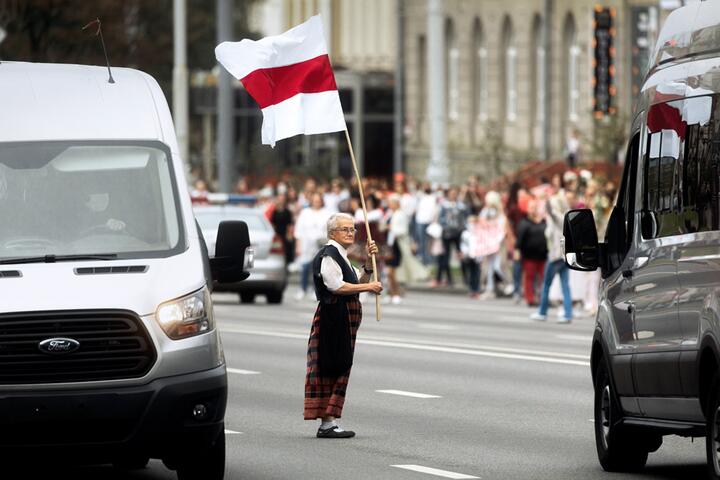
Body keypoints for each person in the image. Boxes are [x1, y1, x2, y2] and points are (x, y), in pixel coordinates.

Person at [304, 213, 383, 438]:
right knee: (332, 363)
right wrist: (369, 289)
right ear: (332, 233)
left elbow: (357, 282)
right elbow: (336, 287)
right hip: (334, 317)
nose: (351, 233)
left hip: (344, 317)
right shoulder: (328, 255)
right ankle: (327, 423)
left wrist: (368, 263)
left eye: (352, 229)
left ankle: (330, 421)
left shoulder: (342, 255)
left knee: (340, 363)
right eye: (345, 229)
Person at [531, 173, 576, 323]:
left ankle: (543, 311)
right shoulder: (566, 217)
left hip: (556, 255)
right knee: (564, 285)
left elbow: (551, 211)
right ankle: (568, 313)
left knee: (546, 284)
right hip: (563, 254)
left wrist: (547, 200)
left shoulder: (558, 218)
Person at [294, 193, 330, 300]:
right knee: (305, 268)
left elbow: (329, 230)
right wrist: (298, 246)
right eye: (314, 200)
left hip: (320, 245)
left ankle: (316, 291)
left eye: (318, 200)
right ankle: (302, 289)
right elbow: (298, 230)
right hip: (306, 245)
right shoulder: (305, 213)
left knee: (318, 269)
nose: (316, 202)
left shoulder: (326, 213)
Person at [515, 199, 547, 306]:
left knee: (544, 278)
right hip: (529, 255)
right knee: (529, 277)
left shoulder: (543, 222)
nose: (534, 210)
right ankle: (530, 298)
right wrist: (517, 250)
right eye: (531, 208)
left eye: (535, 207)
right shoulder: (524, 223)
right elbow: (519, 239)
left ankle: (543, 297)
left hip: (542, 255)